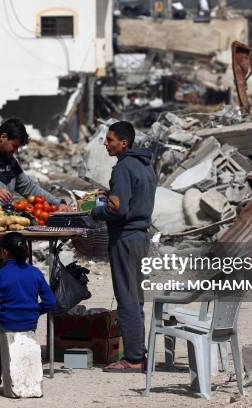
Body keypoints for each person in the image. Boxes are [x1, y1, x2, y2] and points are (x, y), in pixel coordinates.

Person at [90, 121, 156, 373]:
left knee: (127, 299)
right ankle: (138, 351)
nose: (106, 143)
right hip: (140, 238)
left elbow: (118, 210)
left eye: (110, 140)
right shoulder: (145, 165)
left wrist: (96, 212)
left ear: (124, 143)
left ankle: (134, 357)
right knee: (136, 297)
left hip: (125, 239)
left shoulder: (122, 168)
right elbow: (131, 198)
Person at [0, 232, 56, 395]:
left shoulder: (0, 274)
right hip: (29, 324)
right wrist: (36, 311)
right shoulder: (35, 272)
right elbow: (50, 302)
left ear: (4, 253)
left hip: (5, 322)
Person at [0, 118, 70, 210]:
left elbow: (29, 188)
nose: (16, 151)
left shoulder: (11, 162)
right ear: (3, 137)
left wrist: (58, 203)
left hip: (4, 221)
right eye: (14, 146)